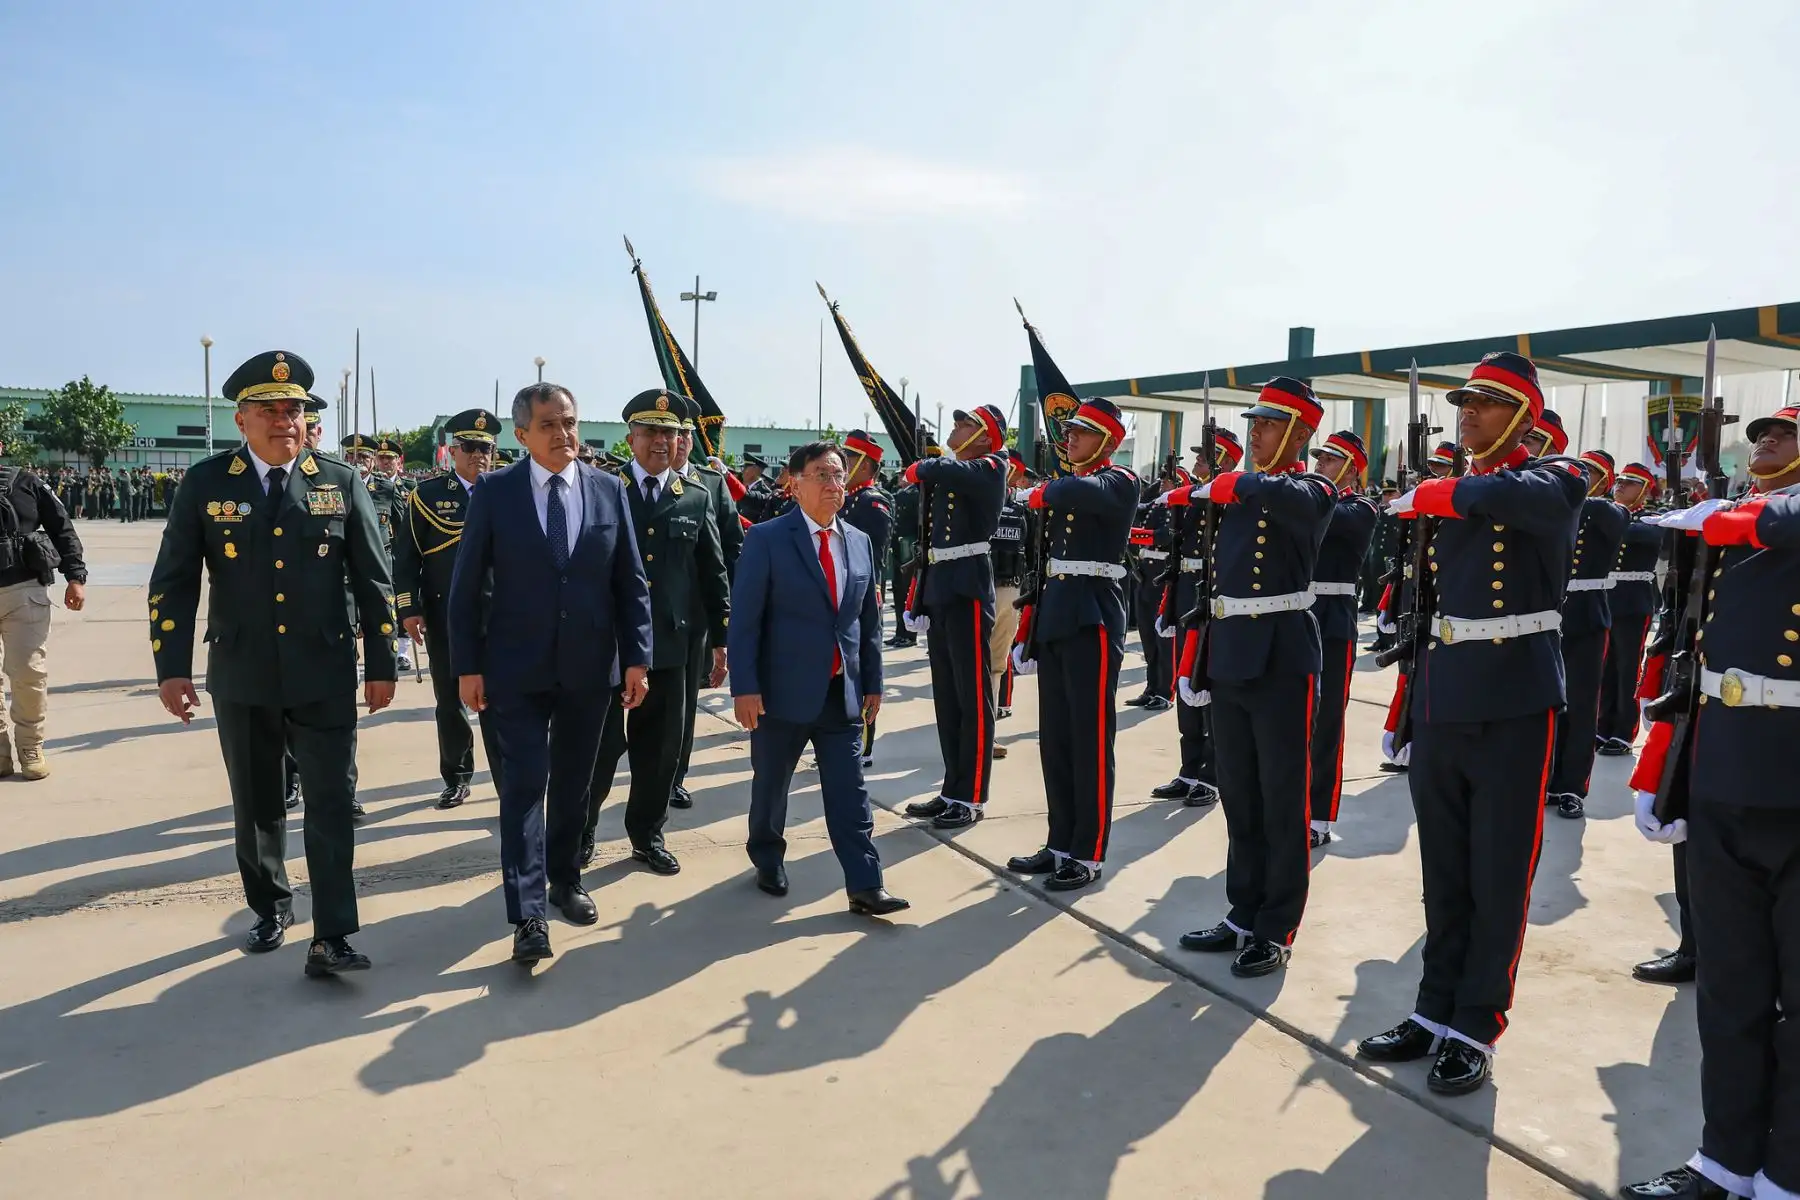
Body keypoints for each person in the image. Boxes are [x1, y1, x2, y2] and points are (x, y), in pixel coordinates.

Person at [1355, 352, 1585, 1097]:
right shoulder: (1452, 488)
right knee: (1445, 873)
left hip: (1513, 699)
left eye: (1487, 403)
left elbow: (1538, 503)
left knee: (1498, 873)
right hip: (1445, 693)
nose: (1470, 413)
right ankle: (1432, 1011)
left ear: (1521, 414)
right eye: (1466, 402)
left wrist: (1446, 492)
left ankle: (1476, 1027)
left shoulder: (1556, 475)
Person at [149, 351, 397, 976]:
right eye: (270, 410)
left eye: (295, 410)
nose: (286, 420)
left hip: (324, 669)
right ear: (242, 418)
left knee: (332, 800)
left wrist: (382, 662)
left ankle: (334, 933)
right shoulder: (207, 484)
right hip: (243, 672)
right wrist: (171, 668)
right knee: (257, 800)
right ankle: (270, 905)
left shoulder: (340, 482)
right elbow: (174, 581)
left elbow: (373, 579)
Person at [1620, 403, 1800, 1200]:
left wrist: (1731, 515)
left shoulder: (1760, 520)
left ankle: (1788, 1173)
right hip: (1728, 770)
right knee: (1729, 992)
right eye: (1761, 432)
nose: (1765, 441)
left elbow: (1774, 525)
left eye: (1785, 433)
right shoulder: (1736, 519)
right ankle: (1723, 1160)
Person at [450, 382, 651, 963]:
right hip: (515, 666)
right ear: (521, 436)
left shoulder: (609, 489)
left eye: (570, 422)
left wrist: (637, 657)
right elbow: (466, 588)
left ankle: (565, 878)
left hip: (591, 667)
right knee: (524, 785)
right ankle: (529, 912)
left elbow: (630, 581)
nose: (564, 435)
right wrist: (467, 667)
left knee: (574, 783)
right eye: (549, 426)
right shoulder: (495, 491)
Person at [1177, 379, 1335, 978]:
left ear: (1298, 434)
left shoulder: (1309, 487)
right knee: (1239, 795)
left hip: (1282, 656)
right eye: (1255, 423)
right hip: (1232, 651)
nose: (1255, 433)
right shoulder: (1237, 495)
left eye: (1268, 424)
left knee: (1282, 798)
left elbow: (1304, 502)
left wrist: (1233, 482)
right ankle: (1243, 911)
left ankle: (1276, 925)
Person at [730, 441, 907, 914]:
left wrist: (873, 681)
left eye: (839, 476)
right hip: (779, 693)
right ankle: (767, 856)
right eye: (823, 475)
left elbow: (866, 621)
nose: (835, 485)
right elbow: (745, 621)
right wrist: (744, 688)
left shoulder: (858, 540)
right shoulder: (767, 539)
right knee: (771, 786)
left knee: (850, 791)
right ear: (795, 482)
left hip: (840, 692)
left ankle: (865, 883)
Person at [581, 389, 729, 875]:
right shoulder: (601, 488)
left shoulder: (696, 495)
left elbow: (713, 572)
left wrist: (723, 640)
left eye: (669, 433)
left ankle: (647, 834)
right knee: (597, 751)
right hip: (606, 646)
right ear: (631, 438)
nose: (660, 442)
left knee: (660, 753)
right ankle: (580, 833)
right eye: (649, 432)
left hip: (669, 645)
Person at [1005, 399, 1138, 891]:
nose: (1071, 439)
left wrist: (1045, 489)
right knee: (1055, 739)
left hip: (1093, 617)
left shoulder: (1118, 481)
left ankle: (1088, 851)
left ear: (1107, 441)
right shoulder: (1070, 483)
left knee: (1089, 739)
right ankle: (1060, 841)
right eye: (1070, 432)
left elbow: (1074, 491)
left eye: (1082, 433)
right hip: (1059, 613)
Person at [898, 405, 1009, 830]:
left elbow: (939, 472)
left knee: (973, 696)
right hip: (941, 584)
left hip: (966, 586)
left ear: (985, 436)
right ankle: (952, 789)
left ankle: (973, 794)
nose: (955, 428)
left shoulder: (990, 466)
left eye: (965, 424)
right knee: (947, 698)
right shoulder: (950, 470)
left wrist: (925, 465)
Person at [394, 407, 505, 809]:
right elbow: (406, 559)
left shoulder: (507, 490)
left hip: (500, 615)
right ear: (453, 451)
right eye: (471, 447)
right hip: (445, 614)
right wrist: (409, 609)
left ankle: (508, 780)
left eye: (486, 448)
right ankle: (457, 776)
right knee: (451, 699)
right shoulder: (427, 495)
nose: (479, 456)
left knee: (502, 699)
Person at [1152, 430, 1243, 806]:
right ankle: (1189, 768)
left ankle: (1211, 775)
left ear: (1224, 461)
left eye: (1204, 459)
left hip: (1212, 597)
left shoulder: (1229, 496)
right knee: (1185, 689)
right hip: (1186, 592)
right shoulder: (1194, 495)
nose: (1196, 465)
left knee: (1210, 691)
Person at [666, 400, 743, 809]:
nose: (677, 442)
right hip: (643, 613)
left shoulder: (711, 483)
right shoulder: (626, 483)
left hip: (693, 616)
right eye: (671, 433)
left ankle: (674, 776)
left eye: (684, 434)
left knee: (683, 706)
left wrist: (725, 621)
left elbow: (731, 549)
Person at [1546, 449, 1629, 820]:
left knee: (1580, 707)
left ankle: (1571, 786)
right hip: (1549, 615)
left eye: (1591, 472)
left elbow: (1616, 520)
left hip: (1587, 619)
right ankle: (1544, 779)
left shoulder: (1608, 510)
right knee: (1545, 703)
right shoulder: (1556, 504)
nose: (1582, 475)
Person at [1307, 430, 1379, 848]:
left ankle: (1318, 816)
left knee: (1327, 719)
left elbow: (1328, 522)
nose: (1319, 465)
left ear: (1351, 470)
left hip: (1333, 620)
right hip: (1297, 614)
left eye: (1330, 460)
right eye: (1319, 459)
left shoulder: (1360, 508)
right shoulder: (1311, 497)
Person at [0, 437, 88, 780]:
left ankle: (30, 747)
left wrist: (75, 576)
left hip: (24, 592)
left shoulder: (27, 482)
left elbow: (61, 527)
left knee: (27, 674)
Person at [1598, 462, 1662, 755]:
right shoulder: (1609, 515)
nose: (1621, 485)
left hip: (1634, 602)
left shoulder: (1652, 519)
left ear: (1646, 491)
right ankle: (1603, 725)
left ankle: (1624, 731)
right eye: (1620, 481)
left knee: (1627, 668)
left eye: (1630, 482)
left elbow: (1642, 536)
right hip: (1607, 600)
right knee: (1606, 668)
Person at [839, 431, 893, 767]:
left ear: (864, 464)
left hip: (860, 596)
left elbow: (873, 558)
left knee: (862, 668)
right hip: (839, 594)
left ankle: (864, 745)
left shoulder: (873, 502)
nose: (843, 464)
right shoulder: (848, 500)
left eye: (849, 458)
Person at [1126, 466, 1177, 710]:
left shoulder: (1175, 508)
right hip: (1146, 576)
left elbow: (1164, 536)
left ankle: (1165, 691)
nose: (1162, 484)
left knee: (1162, 639)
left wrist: (1132, 535)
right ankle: (1151, 686)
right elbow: (1137, 508)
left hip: (1162, 576)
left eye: (1168, 481)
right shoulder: (1156, 505)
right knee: (1148, 637)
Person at [991, 448, 1034, 725]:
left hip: (1009, 589)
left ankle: (988, 724)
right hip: (979, 588)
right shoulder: (980, 505)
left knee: (996, 663)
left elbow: (1031, 553)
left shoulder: (1022, 511)